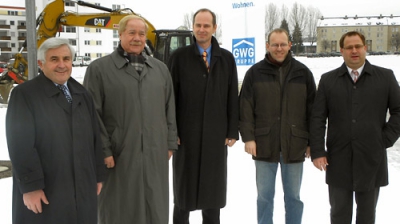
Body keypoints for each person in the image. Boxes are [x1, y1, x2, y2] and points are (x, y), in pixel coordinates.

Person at [83, 15, 177, 224]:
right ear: (120, 34)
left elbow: (170, 109)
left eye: (141, 34)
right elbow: (92, 115)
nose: (137, 38)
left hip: (155, 152)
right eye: (132, 33)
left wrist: (169, 144)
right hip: (119, 154)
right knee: (119, 209)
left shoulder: (160, 70)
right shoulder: (99, 70)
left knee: (155, 206)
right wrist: (104, 150)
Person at [6, 37, 105, 224]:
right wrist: (31, 187)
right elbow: (20, 146)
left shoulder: (82, 94)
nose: (62, 65)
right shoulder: (25, 95)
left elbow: (95, 138)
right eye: (54, 59)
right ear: (41, 63)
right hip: (46, 187)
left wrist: (97, 175)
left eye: (66, 59)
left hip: (82, 184)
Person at [310, 31, 400, 224]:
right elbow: (317, 118)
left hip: (371, 157)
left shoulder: (385, 77)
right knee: (339, 214)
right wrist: (318, 151)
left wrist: (384, 139)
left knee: (367, 215)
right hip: (338, 158)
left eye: (358, 46)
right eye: (349, 47)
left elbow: (398, 111)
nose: (354, 51)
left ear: (365, 48)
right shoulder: (328, 80)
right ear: (341, 50)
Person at [167, 8, 239, 224]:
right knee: (183, 194)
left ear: (214, 28)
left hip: (215, 136)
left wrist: (231, 130)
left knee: (212, 193)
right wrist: (173, 132)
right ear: (193, 27)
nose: (202, 29)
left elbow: (232, 96)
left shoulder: (226, 59)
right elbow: (170, 98)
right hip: (185, 136)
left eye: (206, 25)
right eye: (198, 25)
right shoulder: (179, 58)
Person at [239, 28, 316, 224]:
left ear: (290, 45)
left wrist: (311, 143)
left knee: (294, 198)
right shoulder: (254, 73)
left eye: (283, 44)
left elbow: (313, 112)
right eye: (275, 44)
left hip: (295, 144)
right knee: (264, 198)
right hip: (264, 145)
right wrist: (248, 138)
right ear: (268, 46)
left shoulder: (303, 73)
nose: (279, 48)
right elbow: (245, 108)